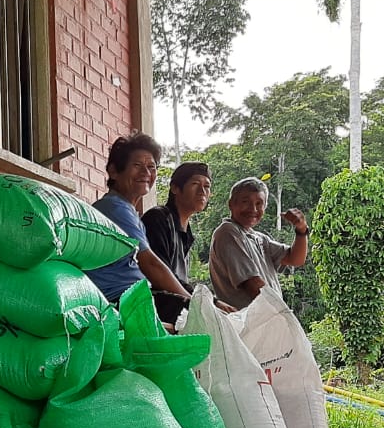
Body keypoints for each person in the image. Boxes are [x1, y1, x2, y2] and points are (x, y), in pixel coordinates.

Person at [84, 134, 192, 307]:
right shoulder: (114, 209)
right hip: (121, 301)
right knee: (201, 317)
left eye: (151, 166)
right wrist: (192, 302)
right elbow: (150, 264)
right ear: (113, 171)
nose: (146, 173)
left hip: (135, 297)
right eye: (137, 165)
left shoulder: (127, 211)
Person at [208, 176, 309, 310]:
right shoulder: (228, 232)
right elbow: (253, 285)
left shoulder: (259, 238)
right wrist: (282, 315)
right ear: (231, 204)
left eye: (259, 203)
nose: (253, 209)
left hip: (267, 318)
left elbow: (295, 259)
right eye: (245, 202)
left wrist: (301, 230)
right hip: (249, 323)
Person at [142, 161, 211, 324]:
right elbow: (160, 276)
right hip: (153, 303)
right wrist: (203, 302)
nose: (202, 191)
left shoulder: (186, 232)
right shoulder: (158, 219)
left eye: (207, 186)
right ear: (175, 188)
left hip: (173, 301)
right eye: (195, 184)